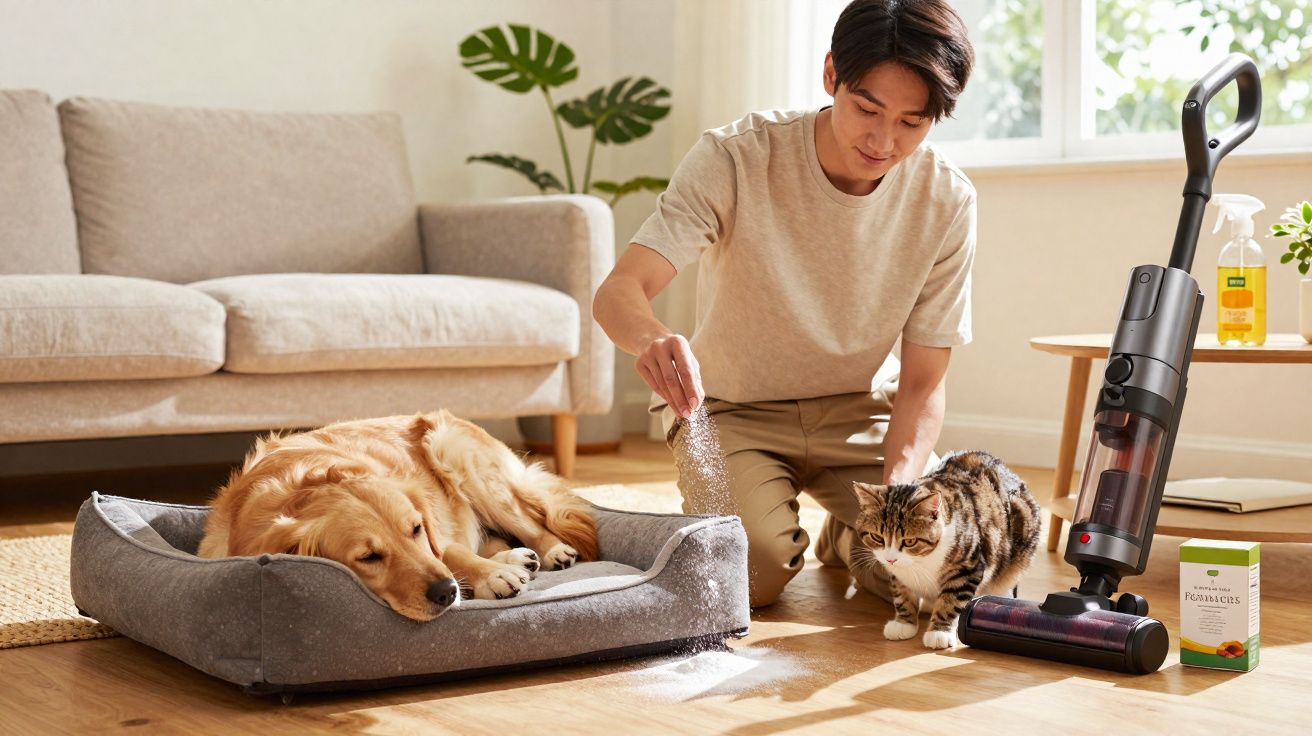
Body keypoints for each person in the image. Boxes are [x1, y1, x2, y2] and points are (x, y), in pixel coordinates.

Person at [592, 0, 976, 607]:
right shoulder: (735, 158)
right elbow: (620, 291)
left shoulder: (946, 199)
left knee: (928, 580)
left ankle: (845, 536)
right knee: (749, 576)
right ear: (831, 76)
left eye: (912, 121)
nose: (883, 140)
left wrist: (897, 499)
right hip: (731, 410)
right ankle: (807, 530)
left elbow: (924, 380)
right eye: (867, 109)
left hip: (858, 413)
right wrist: (649, 339)